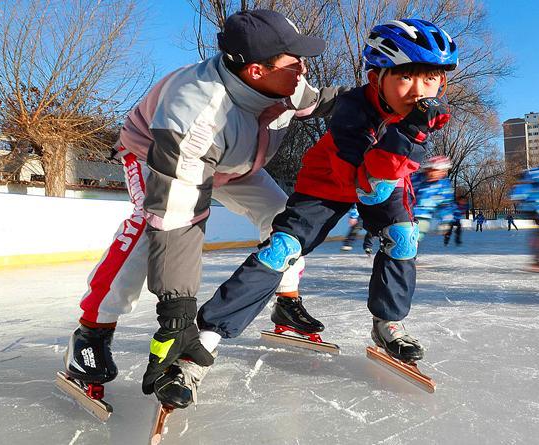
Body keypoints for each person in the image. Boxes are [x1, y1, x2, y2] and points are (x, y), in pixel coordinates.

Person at [61, 9, 347, 410]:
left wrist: (378, 101)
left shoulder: (288, 81)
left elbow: (319, 103)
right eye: (294, 59)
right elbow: (176, 219)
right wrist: (176, 316)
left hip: (233, 164)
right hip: (158, 155)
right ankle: (91, 333)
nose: (304, 67)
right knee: (149, 230)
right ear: (256, 71)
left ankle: (286, 302)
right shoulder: (197, 113)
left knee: (285, 222)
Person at [188, 19, 457, 394]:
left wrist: (408, 135)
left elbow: (389, 179)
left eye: (430, 79)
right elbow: (363, 188)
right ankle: (206, 337)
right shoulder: (352, 111)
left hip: (384, 178)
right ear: (376, 77)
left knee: (403, 236)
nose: (419, 91)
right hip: (330, 180)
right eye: (406, 77)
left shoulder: (422, 110)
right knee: (283, 248)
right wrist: (408, 134)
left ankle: (388, 323)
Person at [412, 155, 457, 240]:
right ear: (427, 170)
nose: (434, 174)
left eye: (441, 172)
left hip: (423, 217)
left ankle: (410, 249)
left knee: (414, 237)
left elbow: (446, 205)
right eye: (432, 171)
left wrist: (446, 220)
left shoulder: (444, 186)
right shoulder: (416, 180)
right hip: (407, 214)